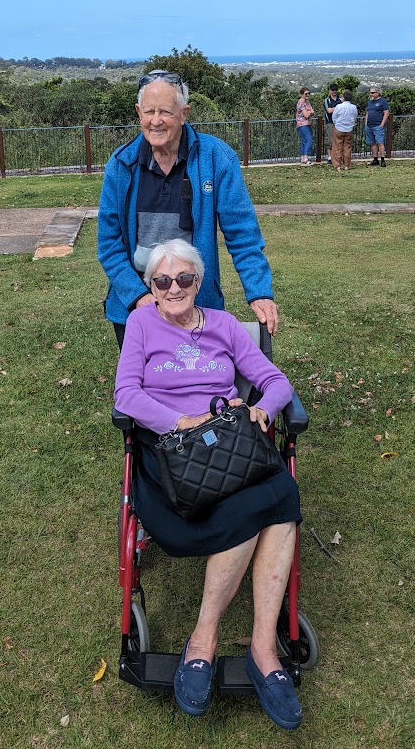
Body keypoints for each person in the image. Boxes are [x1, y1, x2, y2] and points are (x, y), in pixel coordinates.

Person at [114, 239, 303, 731]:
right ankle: (203, 640)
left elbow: (276, 381)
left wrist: (263, 408)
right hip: (173, 461)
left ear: (199, 283)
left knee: (282, 492)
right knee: (260, 506)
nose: (173, 288)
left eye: (184, 279)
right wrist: (182, 421)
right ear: (151, 288)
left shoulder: (221, 325)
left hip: (228, 452)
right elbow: (127, 395)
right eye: (162, 281)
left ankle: (262, 647)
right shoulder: (140, 324)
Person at [98, 70, 279, 347]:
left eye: (166, 112)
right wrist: (141, 298)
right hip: (136, 307)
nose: (155, 121)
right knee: (145, 384)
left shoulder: (217, 159)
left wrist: (259, 292)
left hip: (198, 306)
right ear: (138, 113)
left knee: (202, 383)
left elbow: (243, 235)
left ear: (184, 113)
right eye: (149, 112)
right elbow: (109, 244)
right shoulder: (121, 165)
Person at [331, 89, 359, 172]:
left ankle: (338, 165)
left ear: (343, 97)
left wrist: (337, 124)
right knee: (347, 147)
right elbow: (355, 117)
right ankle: (346, 165)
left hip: (339, 128)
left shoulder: (339, 106)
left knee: (337, 147)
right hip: (349, 129)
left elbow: (334, 118)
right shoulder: (353, 107)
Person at [365, 86, 390, 166]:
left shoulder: (383, 102)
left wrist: (382, 124)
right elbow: (367, 113)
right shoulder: (370, 102)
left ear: (377, 93)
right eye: (370, 92)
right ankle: (375, 159)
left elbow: (386, 113)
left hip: (377, 125)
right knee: (372, 143)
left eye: (372, 93)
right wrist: (366, 124)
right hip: (369, 126)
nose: (370, 94)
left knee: (380, 143)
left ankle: (382, 159)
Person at [323, 83, 342, 165]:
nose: (334, 92)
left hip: (339, 122)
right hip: (330, 122)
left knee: (338, 140)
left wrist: (335, 108)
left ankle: (337, 156)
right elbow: (329, 110)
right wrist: (338, 108)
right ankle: (330, 157)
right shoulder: (327, 100)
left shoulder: (340, 100)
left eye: (335, 90)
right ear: (330, 91)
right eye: (333, 90)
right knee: (330, 140)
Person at [295, 87, 314, 166]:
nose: (308, 95)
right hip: (302, 124)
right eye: (306, 94)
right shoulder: (301, 103)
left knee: (304, 141)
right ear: (302, 94)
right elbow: (306, 115)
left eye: (309, 93)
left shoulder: (307, 102)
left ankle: (303, 158)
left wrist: (309, 112)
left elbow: (313, 111)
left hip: (306, 123)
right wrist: (309, 112)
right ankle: (306, 158)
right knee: (309, 140)